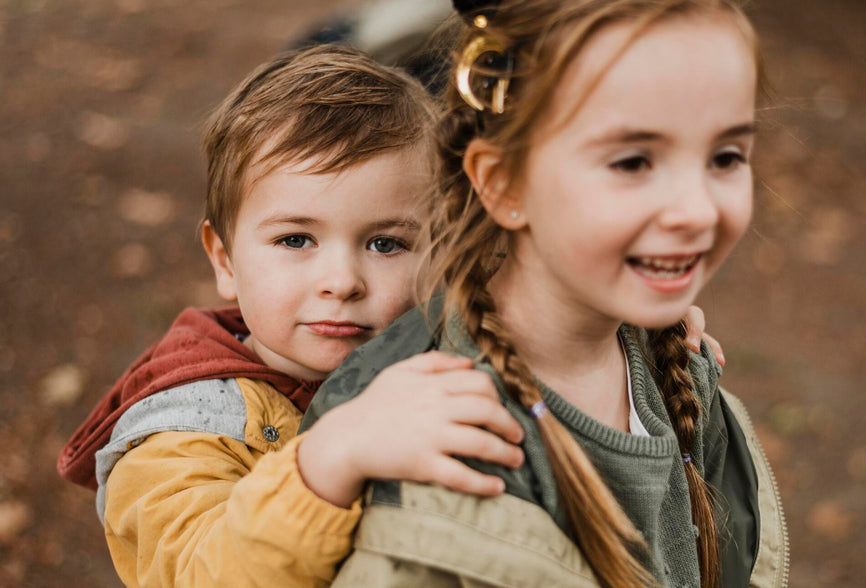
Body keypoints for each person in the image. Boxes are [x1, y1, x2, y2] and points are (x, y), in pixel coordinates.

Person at [56, 41, 723, 588]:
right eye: (295, 240)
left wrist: (631, 326)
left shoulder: (438, 339)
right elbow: (201, 571)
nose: (341, 281)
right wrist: (326, 461)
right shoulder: (179, 434)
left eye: (386, 243)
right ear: (224, 259)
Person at [300, 1, 789, 587]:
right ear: (503, 183)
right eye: (633, 161)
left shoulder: (678, 367)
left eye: (726, 156)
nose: (696, 210)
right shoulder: (430, 443)